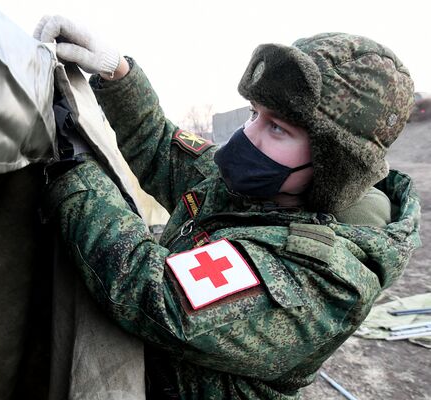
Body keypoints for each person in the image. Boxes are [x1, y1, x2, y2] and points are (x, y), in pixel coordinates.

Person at [35, 15, 421, 399]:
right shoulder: (262, 187)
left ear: (333, 163)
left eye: (277, 128)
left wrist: (73, 175)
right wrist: (118, 74)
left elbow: (154, 294)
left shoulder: (322, 277)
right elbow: (160, 148)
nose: (246, 135)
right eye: (254, 113)